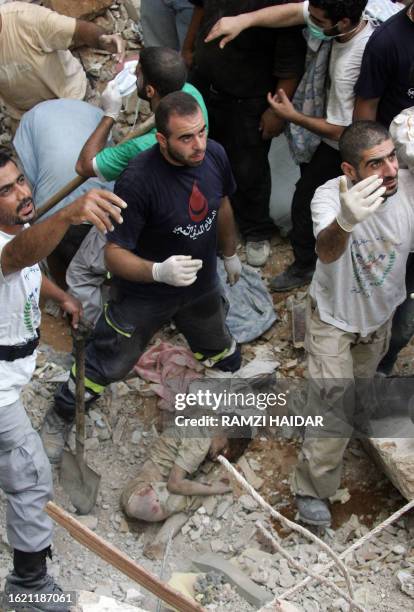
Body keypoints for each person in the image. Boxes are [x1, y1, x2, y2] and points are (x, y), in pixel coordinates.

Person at [41, 92, 243, 464]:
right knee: (108, 361)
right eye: (186, 138)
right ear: (162, 140)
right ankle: (63, 412)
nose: (198, 144)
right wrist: (157, 271)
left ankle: (223, 393)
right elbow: (112, 255)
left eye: (201, 132)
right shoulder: (139, 180)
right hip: (144, 295)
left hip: (200, 285)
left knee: (218, 344)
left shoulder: (213, 154)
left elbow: (222, 204)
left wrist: (229, 252)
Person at [0, 150, 125, 609]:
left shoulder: (15, 230)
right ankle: (28, 586)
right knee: (30, 475)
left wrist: (62, 296)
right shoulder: (11, 242)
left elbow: (25, 267)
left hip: (8, 377)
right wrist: (71, 214)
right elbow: (16, 256)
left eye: (21, 182)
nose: (22, 194)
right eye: (6, 191)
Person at [290, 121, 414, 526]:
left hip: (379, 316)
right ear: (349, 171)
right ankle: (312, 489)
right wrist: (344, 221)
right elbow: (325, 253)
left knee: (357, 392)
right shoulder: (330, 196)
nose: (390, 171)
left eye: (392, 157)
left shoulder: (408, 188)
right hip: (334, 319)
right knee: (333, 408)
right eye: (375, 164)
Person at [206, 0, 374, 286]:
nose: (311, 24)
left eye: (319, 22)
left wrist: (292, 116)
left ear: (342, 23)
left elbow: (344, 131)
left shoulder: (351, 63)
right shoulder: (340, 19)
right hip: (326, 126)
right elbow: (296, 12)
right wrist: (243, 21)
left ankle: (307, 265)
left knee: (305, 203)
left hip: (339, 145)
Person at [71, 47, 209, 323]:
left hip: (143, 214)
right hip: (182, 202)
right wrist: (141, 66)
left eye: (138, 75)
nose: (135, 76)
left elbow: (84, 166)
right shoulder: (192, 97)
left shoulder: (141, 148)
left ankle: (91, 335)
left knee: (81, 273)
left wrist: (109, 114)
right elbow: (167, 72)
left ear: (150, 91)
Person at [186, 0, 306, 267]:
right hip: (205, 85)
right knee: (201, 155)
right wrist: (188, 47)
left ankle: (255, 231)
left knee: (249, 168)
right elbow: (201, 9)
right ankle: (208, 218)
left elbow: (291, 65)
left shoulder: (280, 6)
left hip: (248, 99)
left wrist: (276, 110)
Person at [353, 2, 414, 375]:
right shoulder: (388, 41)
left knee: (405, 321)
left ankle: (383, 366)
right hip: (395, 181)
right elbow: (365, 115)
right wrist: (373, 177)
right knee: (382, 279)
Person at [0, 1, 125, 122]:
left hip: (70, 97)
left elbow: (78, 29)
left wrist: (102, 39)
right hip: (24, 116)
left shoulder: (25, 18)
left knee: (91, 137)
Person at [121, 425, 249, 522]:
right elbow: (174, 485)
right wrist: (214, 489)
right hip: (144, 499)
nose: (217, 457)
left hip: (135, 494)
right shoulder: (202, 440)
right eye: (223, 450)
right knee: (199, 495)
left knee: (196, 488)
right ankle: (159, 544)